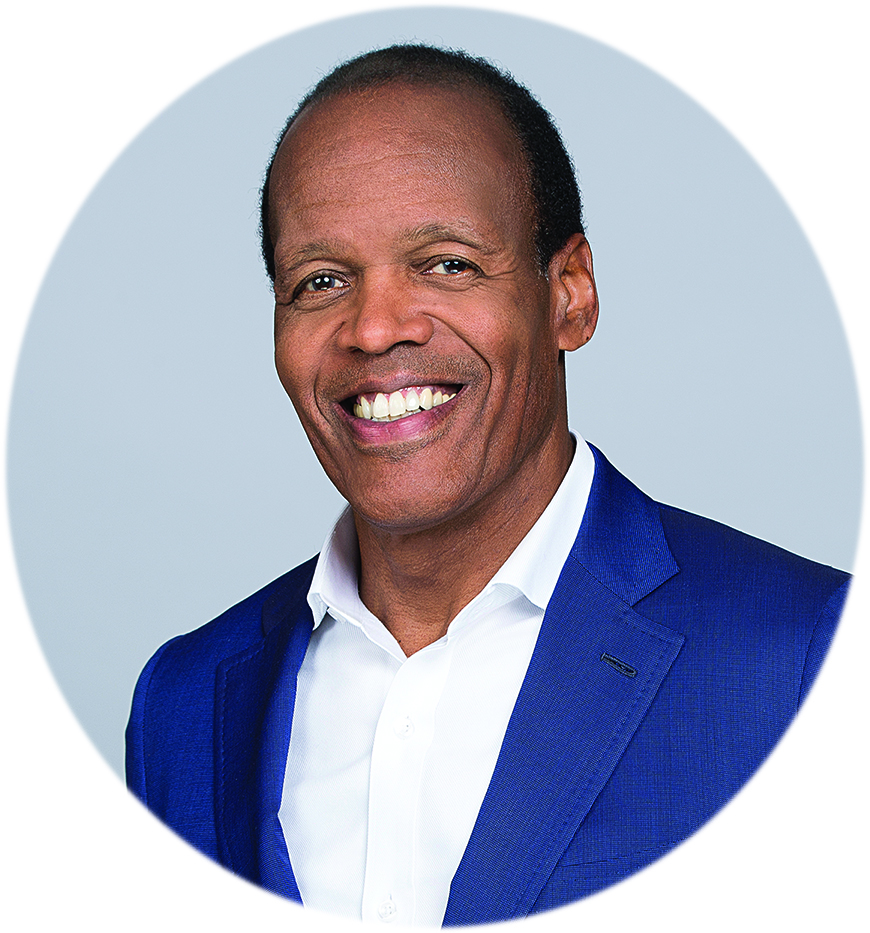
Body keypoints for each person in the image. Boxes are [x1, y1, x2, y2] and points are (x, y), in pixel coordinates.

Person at [125, 45, 849, 926]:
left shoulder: (808, 656)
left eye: (447, 263)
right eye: (320, 281)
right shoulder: (185, 699)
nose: (376, 326)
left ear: (569, 295)